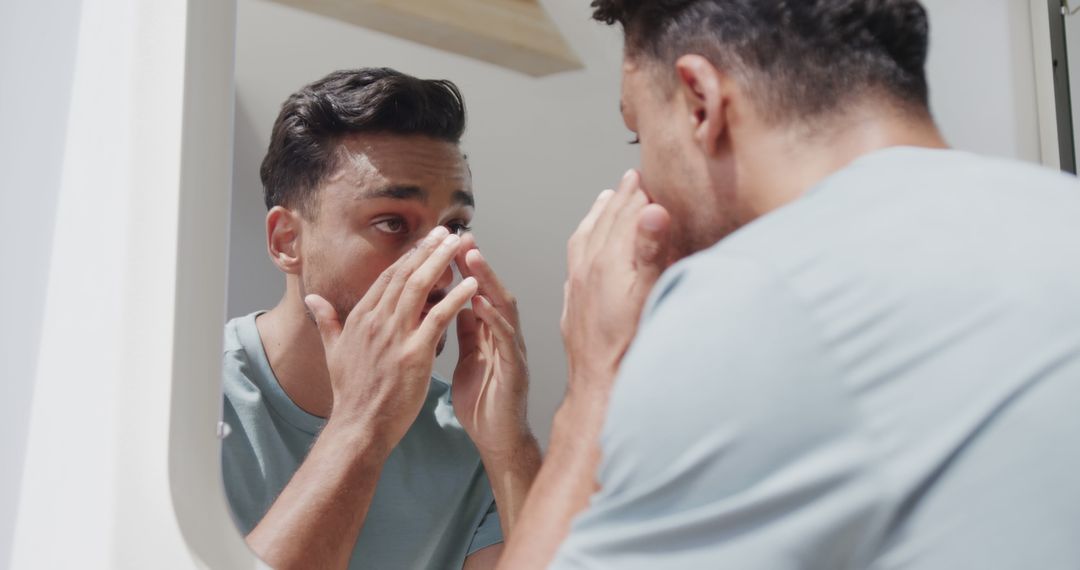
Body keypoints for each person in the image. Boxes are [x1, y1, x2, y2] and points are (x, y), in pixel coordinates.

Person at [501, 1, 1080, 568]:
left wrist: (593, 388)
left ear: (700, 101)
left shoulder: (757, 296)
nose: (641, 180)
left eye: (638, 134)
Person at [220, 67, 540, 570]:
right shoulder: (180, 403)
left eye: (453, 227)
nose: (438, 264)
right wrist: (363, 424)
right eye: (393, 222)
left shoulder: (471, 434)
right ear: (287, 241)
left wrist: (511, 447)